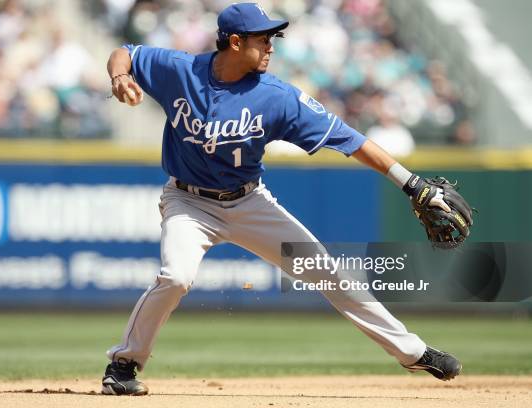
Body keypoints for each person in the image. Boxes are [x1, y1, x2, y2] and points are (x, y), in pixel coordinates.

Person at [102, 3, 462, 396]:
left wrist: (409, 182)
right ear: (235, 42)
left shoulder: (277, 97)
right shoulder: (181, 70)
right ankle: (123, 364)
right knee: (175, 277)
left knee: (327, 270)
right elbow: (126, 53)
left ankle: (413, 352)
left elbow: (352, 141)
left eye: (273, 37)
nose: (272, 46)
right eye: (263, 39)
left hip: (249, 203)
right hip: (189, 202)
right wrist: (120, 76)